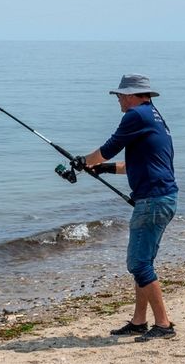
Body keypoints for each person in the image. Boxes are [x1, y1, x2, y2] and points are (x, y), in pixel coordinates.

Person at [73, 73, 179, 342]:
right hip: (162, 198)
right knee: (145, 262)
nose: (118, 99)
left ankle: (163, 325)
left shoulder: (135, 116)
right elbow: (140, 165)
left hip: (153, 201)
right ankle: (139, 321)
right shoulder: (155, 117)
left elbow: (108, 149)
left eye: (120, 95)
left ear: (132, 94)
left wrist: (82, 161)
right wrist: (103, 168)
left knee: (139, 264)